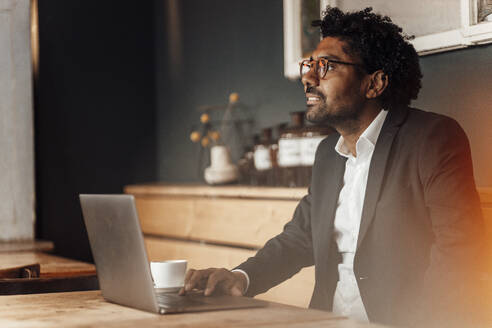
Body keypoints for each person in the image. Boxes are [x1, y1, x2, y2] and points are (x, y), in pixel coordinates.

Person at [180, 7, 487, 327]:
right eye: (308, 65)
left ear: (375, 83)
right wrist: (239, 278)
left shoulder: (431, 139)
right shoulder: (327, 153)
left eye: (325, 66)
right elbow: (300, 238)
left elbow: (459, 250)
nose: (308, 78)